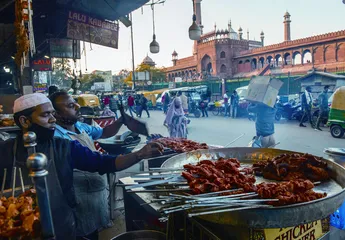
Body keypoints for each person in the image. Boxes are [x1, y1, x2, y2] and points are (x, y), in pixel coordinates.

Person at [0, 93, 162, 240]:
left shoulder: (65, 147)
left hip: (63, 225)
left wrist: (139, 154)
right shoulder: (5, 151)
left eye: (52, 114)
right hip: (17, 228)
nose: (53, 119)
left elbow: (105, 162)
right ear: (24, 121)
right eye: (45, 115)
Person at [50, 91, 128, 239]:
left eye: (76, 102)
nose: (78, 107)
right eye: (71, 105)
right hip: (77, 199)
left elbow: (103, 133)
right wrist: (138, 154)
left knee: (94, 232)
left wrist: (120, 121)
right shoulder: (57, 139)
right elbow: (97, 162)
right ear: (57, 114)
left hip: (95, 196)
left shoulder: (80, 126)